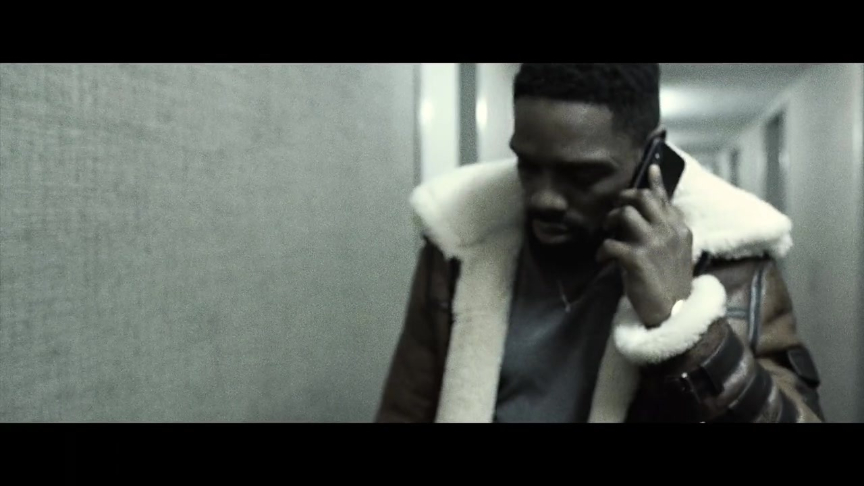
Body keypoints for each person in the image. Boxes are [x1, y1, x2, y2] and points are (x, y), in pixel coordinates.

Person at [376, 63, 823, 423]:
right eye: (528, 165)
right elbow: (406, 410)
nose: (544, 199)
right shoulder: (461, 243)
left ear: (651, 154)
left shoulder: (729, 261)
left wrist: (682, 321)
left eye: (582, 175)